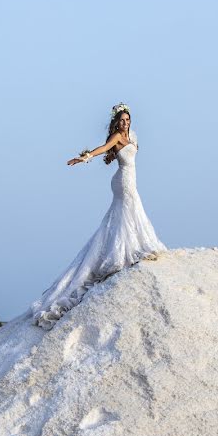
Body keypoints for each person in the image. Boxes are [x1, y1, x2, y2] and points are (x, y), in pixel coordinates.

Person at [30, 103, 167, 329]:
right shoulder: (116, 137)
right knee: (128, 210)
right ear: (116, 122)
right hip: (123, 182)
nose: (125, 123)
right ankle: (124, 252)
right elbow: (103, 149)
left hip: (130, 179)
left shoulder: (132, 135)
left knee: (130, 213)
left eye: (128, 119)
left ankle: (130, 247)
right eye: (122, 120)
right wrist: (83, 157)